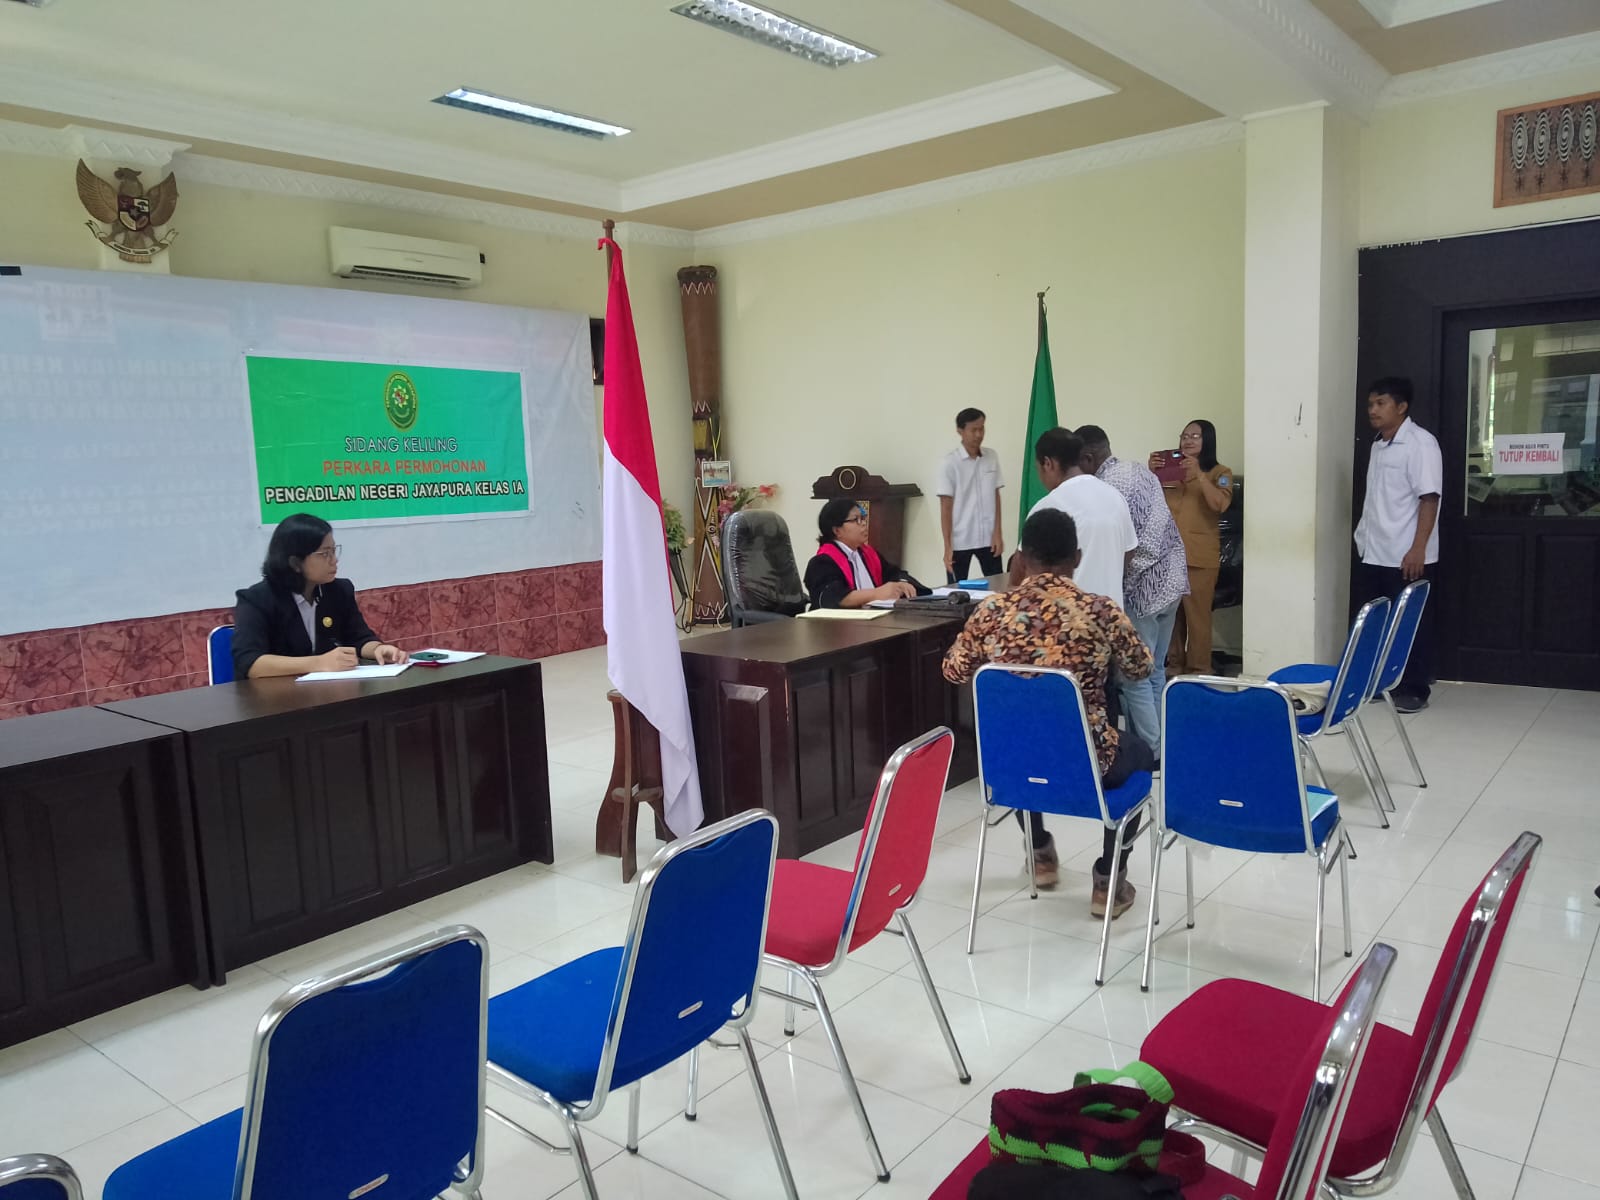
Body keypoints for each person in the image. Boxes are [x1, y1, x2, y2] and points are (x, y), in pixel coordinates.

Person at [943, 509, 1155, 917]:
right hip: (1089, 764)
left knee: (1028, 737)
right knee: (1141, 753)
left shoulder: (990, 612)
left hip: (1009, 764)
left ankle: (1039, 852)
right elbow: (1140, 668)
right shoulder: (1101, 611)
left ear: (1022, 559)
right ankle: (1109, 880)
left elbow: (953, 671)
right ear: (1077, 558)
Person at [1077, 424, 1188, 755]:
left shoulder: (1107, 489)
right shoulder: (1138, 469)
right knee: (1155, 670)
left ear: (1089, 457)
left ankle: (1150, 750)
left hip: (1144, 588)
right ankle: (1161, 745)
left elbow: (1132, 550)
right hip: (1172, 581)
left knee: (1134, 676)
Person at [232, 512, 409, 679]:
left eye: (333, 551)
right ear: (295, 563)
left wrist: (378, 649)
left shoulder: (338, 590)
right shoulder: (257, 599)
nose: (334, 560)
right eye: (325, 554)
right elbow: (250, 663)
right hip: (277, 696)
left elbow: (359, 638)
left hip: (328, 692)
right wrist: (318, 663)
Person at [1353, 376, 1441, 712]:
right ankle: (1379, 683)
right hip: (1374, 550)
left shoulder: (1421, 443)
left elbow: (1429, 498)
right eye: (1371, 404)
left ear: (1401, 407)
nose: (1373, 410)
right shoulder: (1378, 445)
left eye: (1381, 403)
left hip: (1406, 553)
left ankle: (1415, 689)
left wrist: (1418, 548)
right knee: (1375, 621)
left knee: (1409, 624)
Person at [1151, 420, 1233, 675]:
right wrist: (1152, 474)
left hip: (1199, 556)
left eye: (1195, 436)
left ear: (1207, 440)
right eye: (1185, 435)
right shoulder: (1170, 472)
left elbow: (1220, 505)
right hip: (1168, 555)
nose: (1188, 440)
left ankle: (1199, 668)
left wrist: (1199, 474)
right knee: (1171, 615)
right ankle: (1174, 664)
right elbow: (1153, 503)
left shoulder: (1220, 473)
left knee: (1198, 617)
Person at [1023, 428, 1137, 609]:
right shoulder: (1114, 496)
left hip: (1069, 618)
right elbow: (1129, 552)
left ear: (1048, 464)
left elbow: (1024, 565)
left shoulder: (1047, 506)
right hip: (1111, 615)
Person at [803, 497, 926, 609]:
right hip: (838, 625)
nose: (863, 524)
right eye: (856, 520)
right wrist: (877, 593)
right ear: (837, 530)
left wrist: (902, 584)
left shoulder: (868, 554)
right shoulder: (822, 562)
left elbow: (894, 573)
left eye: (863, 518)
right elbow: (833, 597)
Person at [937, 407, 1005, 582]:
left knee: (997, 586)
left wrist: (998, 533)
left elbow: (996, 496)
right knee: (956, 589)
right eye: (973, 430)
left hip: (989, 538)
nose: (978, 434)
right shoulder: (949, 463)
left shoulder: (991, 457)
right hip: (960, 540)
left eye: (981, 429)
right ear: (960, 431)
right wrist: (947, 546)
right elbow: (945, 506)